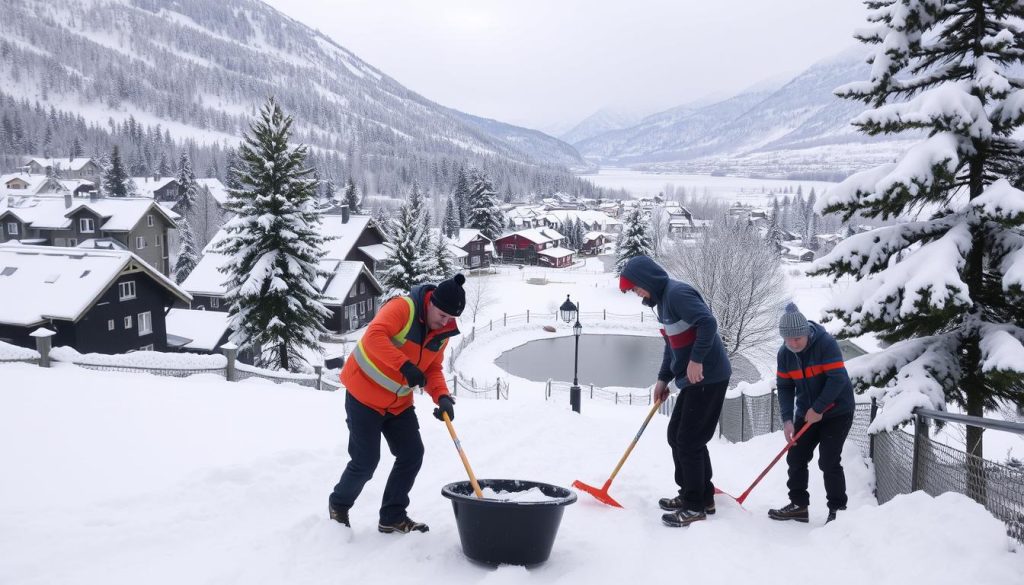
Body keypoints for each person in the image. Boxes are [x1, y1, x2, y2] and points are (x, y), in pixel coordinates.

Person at [328, 273, 465, 534]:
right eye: (443, 315)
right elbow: (373, 337)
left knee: (412, 454)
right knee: (366, 460)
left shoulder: (443, 333)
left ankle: (392, 515)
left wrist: (443, 397)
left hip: (398, 402)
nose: (445, 322)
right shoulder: (403, 308)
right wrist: (404, 365)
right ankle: (339, 505)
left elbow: (433, 368)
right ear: (431, 302)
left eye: (451, 318)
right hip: (363, 395)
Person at [620, 255, 731, 527]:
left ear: (647, 280)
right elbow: (673, 345)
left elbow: (708, 323)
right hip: (693, 380)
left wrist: (697, 360)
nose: (637, 294)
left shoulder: (677, 293)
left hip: (708, 376)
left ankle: (695, 506)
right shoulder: (662, 303)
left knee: (689, 440)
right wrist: (663, 378)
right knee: (677, 436)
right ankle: (701, 496)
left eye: (636, 288)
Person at [768, 303, 856, 524]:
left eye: (798, 338)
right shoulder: (785, 354)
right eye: (788, 340)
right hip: (807, 413)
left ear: (807, 333)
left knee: (828, 460)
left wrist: (818, 408)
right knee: (796, 457)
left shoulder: (826, 344)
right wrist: (788, 420)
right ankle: (798, 505)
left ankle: (838, 510)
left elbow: (837, 379)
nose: (793, 343)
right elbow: (785, 386)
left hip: (837, 410)